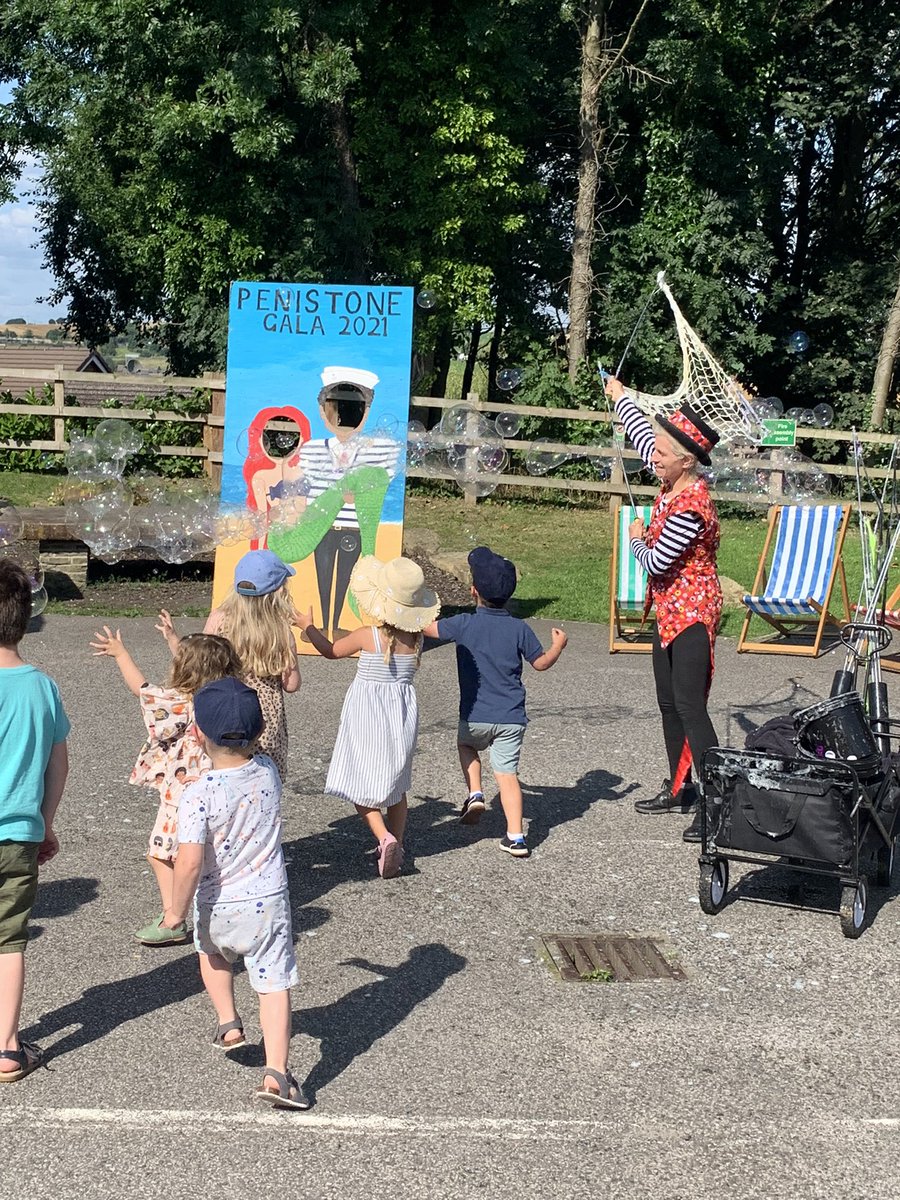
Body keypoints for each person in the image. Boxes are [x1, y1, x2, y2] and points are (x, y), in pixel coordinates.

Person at [160, 677, 307, 1109]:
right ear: (259, 731)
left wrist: (174, 912)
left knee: (211, 955)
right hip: (267, 901)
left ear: (198, 733)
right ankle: (276, 1072)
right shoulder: (268, 772)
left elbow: (188, 862)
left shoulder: (197, 794)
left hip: (217, 903)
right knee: (273, 983)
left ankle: (229, 1023)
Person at [605, 375, 722, 842]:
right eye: (654, 449)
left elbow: (656, 561)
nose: (653, 456)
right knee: (668, 703)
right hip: (669, 613)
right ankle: (679, 788)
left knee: (692, 706)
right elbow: (639, 430)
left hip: (693, 615)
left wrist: (635, 540)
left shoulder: (693, 506)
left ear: (686, 460)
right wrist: (620, 398)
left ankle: (717, 803)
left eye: (661, 453)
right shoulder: (672, 479)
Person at [90, 624, 242, 944]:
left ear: (185, 669)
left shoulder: (181, 702)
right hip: (220, 789)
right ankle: (211, 909)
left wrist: (121, 654)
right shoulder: (225, 700)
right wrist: (175, 641)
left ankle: (173, 917)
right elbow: (200, 667)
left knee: (160, 853)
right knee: (211, 855)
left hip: (182, 796)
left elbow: (142, 690)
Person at [296, 556, 440, 879]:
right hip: (401, 716)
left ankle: (383, 837)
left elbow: (331, 650)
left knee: (361, 783)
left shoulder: (369, 636)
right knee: (396, 785)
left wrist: (307, 625)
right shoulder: (415, 640)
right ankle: (398, 843)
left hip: (368, 716)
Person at [422, 547, 567, 859]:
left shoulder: (463, 623)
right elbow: (540, 663)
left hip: (475, 714)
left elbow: (427, 629)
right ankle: (516, 837)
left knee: (466, 746)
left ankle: (475, 792)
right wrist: (558, 645)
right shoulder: (519, 628)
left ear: (474, 591)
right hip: (511, 717)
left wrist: (410, 608)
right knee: (508, 775)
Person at [267, 367, 401, 639]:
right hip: (322, 527)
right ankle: (322, 624)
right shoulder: (312, 450)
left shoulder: (381, 450)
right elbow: (306, 485)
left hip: (354, 528)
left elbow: (381, 483)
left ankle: (336, 625)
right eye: (334, 409)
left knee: (346, 578)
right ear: (321, 412)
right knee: (324, 576)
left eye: (355, 410)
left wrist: (360, 491)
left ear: (367, 412)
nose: (343, 418)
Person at [0, 559, 69, 1082]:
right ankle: (6, 1047)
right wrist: (45, 821)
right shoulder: (42, 688)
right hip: (19, 832)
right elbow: (58, 761)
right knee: (9, 941)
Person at [195, 549, 301, 781]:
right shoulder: (281, 630)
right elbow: (291, 684)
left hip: (223, 708)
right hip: (263, 721)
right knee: (264, 783)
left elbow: (203, 662)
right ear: (279, 591)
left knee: (224, 778)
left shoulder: (219, 618)